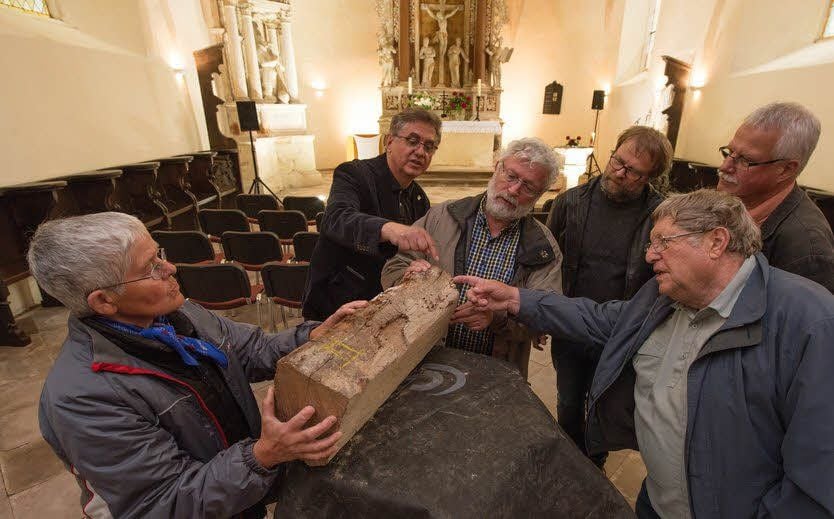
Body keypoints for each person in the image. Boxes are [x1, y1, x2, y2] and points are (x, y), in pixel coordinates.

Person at [454, 189, 834, 518]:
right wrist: (515, 298)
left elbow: (818, 477)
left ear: (716, 242)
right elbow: (595, 317)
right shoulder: (662, 298)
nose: (650, 256)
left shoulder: (809, 322)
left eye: (662, 242)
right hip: (656, 503)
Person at [28, 212, 366, 518]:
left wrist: (312, 335)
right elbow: (163, 503)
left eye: (159, 254)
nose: (170, 268)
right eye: (150, 268)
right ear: (104, 301)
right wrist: (262, 456)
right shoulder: (84, 398)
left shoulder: (174, 314)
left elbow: (250, 349)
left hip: (234, 494)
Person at [382, 138, 563, 378]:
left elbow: (545, 315)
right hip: (427, 360)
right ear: (496, 167)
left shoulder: (543, 246)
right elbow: (395, 266)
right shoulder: (441, 216)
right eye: (510, 176)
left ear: (540, 194)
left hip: (495, 373)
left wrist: (497, 318)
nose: (513, 190)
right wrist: (408, 279)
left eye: (528, 187)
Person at [546, 125, 672, 467]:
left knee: (603, 403)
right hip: (572, 323)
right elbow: (548, 262)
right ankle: (571, 462)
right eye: (617, 161)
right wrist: (542, 313)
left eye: (633, 172)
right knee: (569, 401)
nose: (619, 172)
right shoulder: (570, 202)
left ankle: (594, 462)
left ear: (650, 178)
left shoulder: (661, 216)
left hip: (622, 329)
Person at [302, 108, 441, 321]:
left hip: (381, 308)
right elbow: (336, 218)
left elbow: (404, 257)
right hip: (335, 302)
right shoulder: (354, 174)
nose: (421, 152)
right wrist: (388, 228)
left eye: (429, 146)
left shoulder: (419, 199)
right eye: (412, 141)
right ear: (389, 141)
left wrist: (412, 267)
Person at [717, 101, 834, 292]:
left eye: (746, 160)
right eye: (729, 152)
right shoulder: (729, 204)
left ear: (786, 170)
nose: (725, 167)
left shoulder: (805, 249)